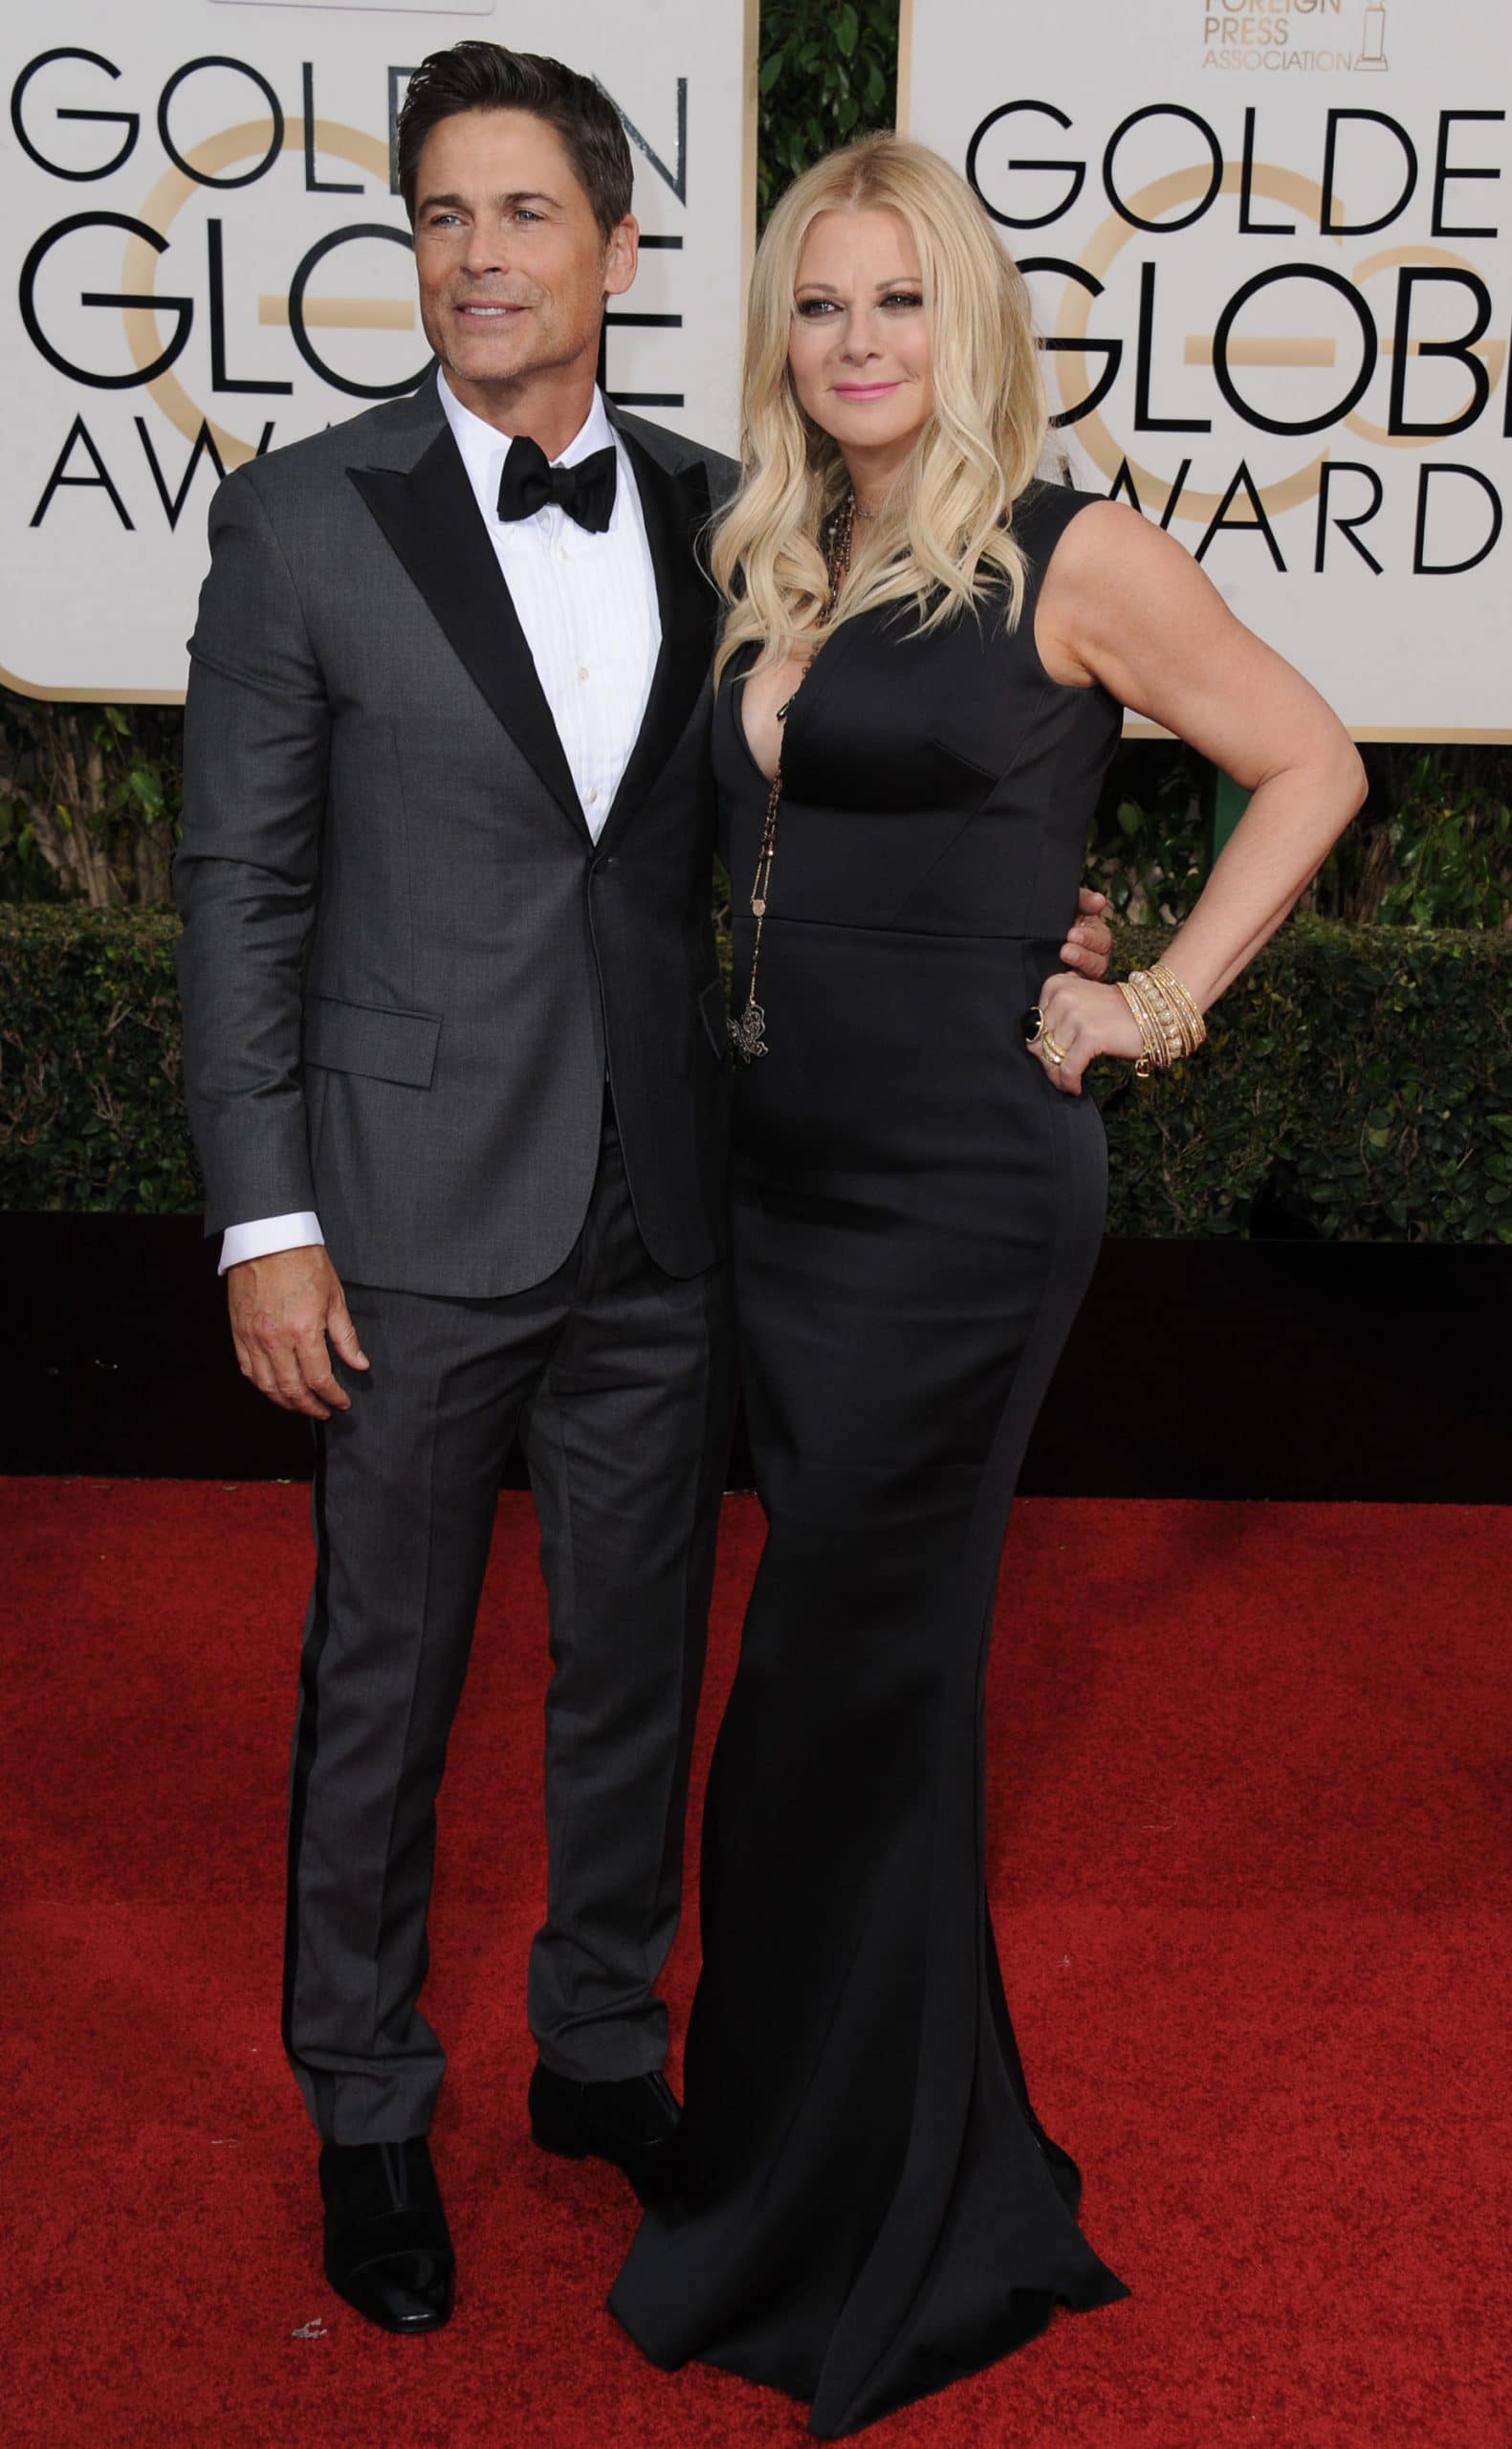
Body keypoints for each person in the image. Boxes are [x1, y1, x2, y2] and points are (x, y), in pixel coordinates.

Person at [173, 42, 1120, 2338]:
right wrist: (262, 1214)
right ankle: (370, 2097)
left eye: (519, 216)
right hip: (397, 1205)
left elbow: (835, 816)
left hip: (678, 1200)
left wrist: (1058, 936)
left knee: (634, 1662)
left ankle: (599, 2041)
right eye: (435, 218)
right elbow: (238, 890)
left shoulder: (735, 512)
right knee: (381, 1676)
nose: (472, 258)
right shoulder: (305, 518)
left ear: (615, 247)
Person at [609, 134, 1366, 2437]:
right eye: (817, 306)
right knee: (863, 1701)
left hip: (951, 1205)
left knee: (833, 1687)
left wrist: (1151, 1003)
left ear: (969, 323)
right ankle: (850, 2155)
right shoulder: (780, 545)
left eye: (894, 302)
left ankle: (858, 2209)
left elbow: (1305, 760)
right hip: (776, 1182)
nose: (853, 342)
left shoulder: (1073, 550)